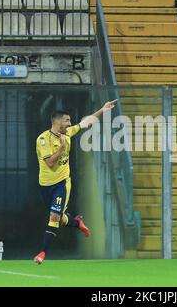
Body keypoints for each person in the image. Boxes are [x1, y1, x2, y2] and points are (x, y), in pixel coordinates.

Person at [33, 99, 118, 264]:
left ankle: (42, 253)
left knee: (54, 217)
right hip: (45, 185)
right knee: (60, 217)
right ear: (57, 122)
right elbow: (50, 163)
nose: (70, 123)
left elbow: (85, 122)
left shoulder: (68, 133)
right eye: (67, 120)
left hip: (61, 184)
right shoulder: (43, 139)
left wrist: (102, 109)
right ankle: (76, 222)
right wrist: (62, 149)